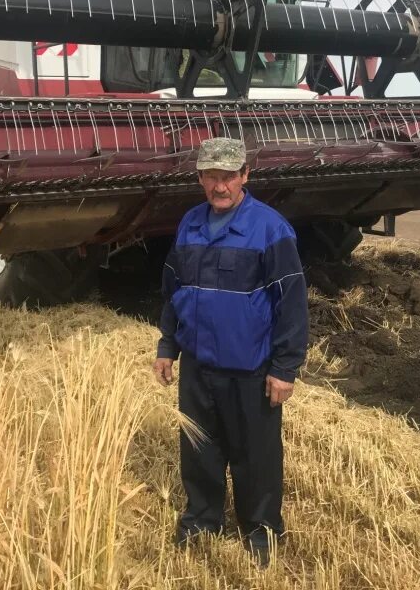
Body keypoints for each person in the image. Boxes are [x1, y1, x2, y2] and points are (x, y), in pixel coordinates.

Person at [152, 137, 309, 566]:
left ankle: (261, 534)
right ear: (200, 177)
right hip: (198, 366)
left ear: (245, 176)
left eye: (228, 177)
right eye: (211, 177)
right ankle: (202, 520)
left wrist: (285, 367)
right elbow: (174, 290)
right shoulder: (189, 225)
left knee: (255, 456)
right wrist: (168, 346)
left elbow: (291, 304)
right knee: (199, 450)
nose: (219, 186)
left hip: (251, 369)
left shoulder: (270, 229)